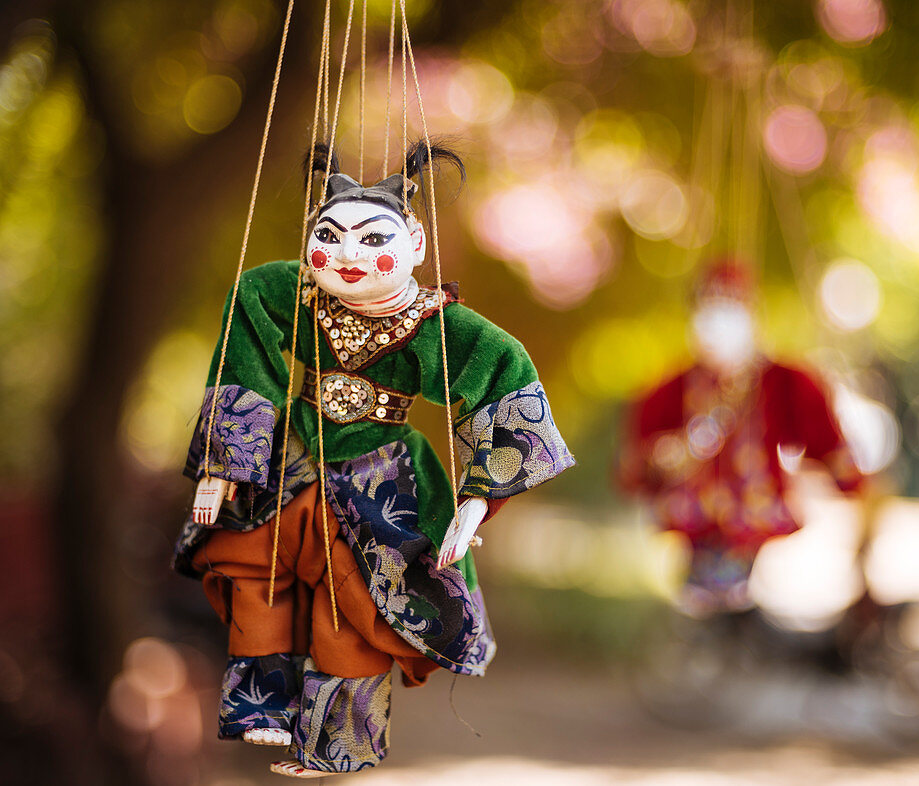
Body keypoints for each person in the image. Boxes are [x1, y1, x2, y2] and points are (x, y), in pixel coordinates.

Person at [172, 142, 574, 778]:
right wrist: (226, 461)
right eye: (329, 238)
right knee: (255, 565)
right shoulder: (298, 296)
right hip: (294, 454)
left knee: (353, 609)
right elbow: (247, 305)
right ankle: (259, 708)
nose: (349, 256)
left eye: (371, 238)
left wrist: (476, 499)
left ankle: (338, 746)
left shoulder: (436, 325)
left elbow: (503, 372)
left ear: (415, 241)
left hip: (384, 475)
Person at [619, 259, 860, 616]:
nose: (721, 314)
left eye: (733, 301)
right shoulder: (670, 389)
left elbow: (832, 451)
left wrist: (853, 480)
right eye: (712, 301)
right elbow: (635, 468)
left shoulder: (786, 382)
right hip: (694, 523)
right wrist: (665, 456)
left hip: (757, 523)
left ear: (752, 311)